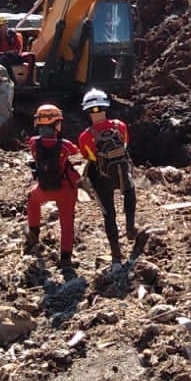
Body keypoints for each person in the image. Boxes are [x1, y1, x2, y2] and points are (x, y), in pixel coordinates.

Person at [77, 88, 140, 267]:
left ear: (87, 110)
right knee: (130, 191)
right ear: (106, 106)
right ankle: (130, 227)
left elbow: (88, 156)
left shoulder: (84, 136)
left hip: (100, 177)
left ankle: (116, 255)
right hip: (121, 172)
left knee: (109, 214)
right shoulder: (120, 126)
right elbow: (125, 144)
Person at [25, 103, 81, 276]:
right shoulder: (65, 145)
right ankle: (65, 258)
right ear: (55, 124)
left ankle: (33, 233)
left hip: (43, 188)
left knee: (32, 199)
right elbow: (77, 153)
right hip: (65, 190)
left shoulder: (33, 142)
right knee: (67, 223)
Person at [0, 13, 35, 83]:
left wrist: (15, 51)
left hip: (15, 56)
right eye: (3, 26)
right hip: (5, 57)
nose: (5, 27)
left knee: (31, 56)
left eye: (6, 25)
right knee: (3, 59)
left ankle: (29, 80)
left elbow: (18, 46)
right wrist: (6, 52)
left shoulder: (12, 34)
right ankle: (12, 80)